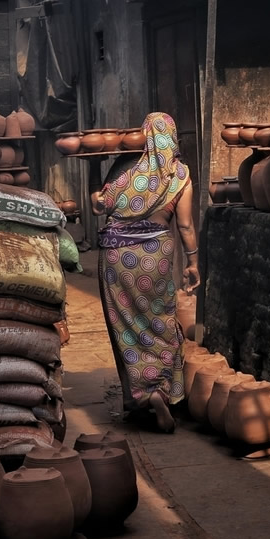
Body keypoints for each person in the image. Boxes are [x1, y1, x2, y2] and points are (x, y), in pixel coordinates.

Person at [90, 112, 200, 433]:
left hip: (117, 256)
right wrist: (193, 262)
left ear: (144, 135)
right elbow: (185, 225)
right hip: (156, 256)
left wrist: (95, 176)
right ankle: (162, 390)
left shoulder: (125, 170)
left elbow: (99, 206)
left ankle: (142, 394)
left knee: (125, 324)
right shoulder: (180, 175)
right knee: (160, 320)